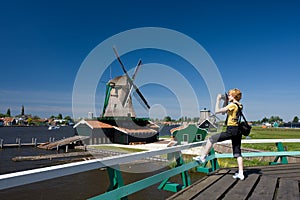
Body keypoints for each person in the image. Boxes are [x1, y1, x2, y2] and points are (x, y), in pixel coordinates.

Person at [193, 88, 245, 180]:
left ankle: (203, 157)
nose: (228, 96)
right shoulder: (239, 105)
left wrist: (217, 100)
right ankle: (241, 173)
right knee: (237, 152)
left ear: (233, 96)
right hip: (238, 131)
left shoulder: (232, 105)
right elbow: (224, 112)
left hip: (231, 130)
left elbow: (217, 111)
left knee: (211, 139)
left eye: (229, 95)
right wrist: (225, 101)